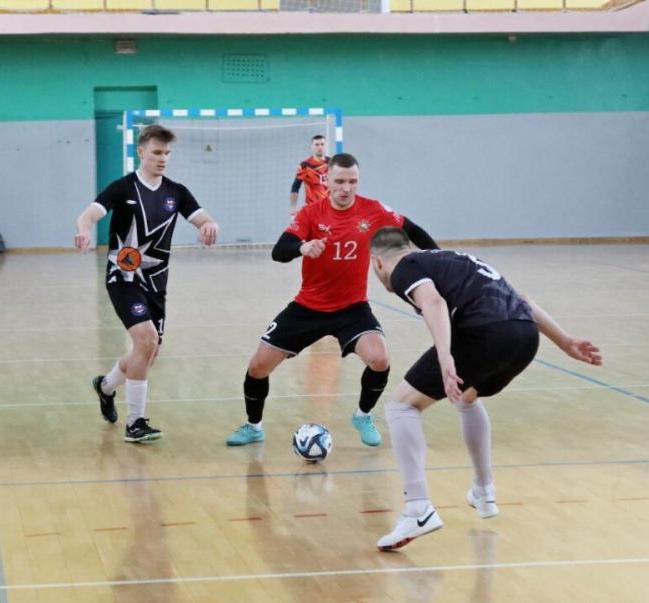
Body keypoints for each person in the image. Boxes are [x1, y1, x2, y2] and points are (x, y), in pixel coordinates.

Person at [367, 227, 602, 551]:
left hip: (485, 334)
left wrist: (445, 356)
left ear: (377, 262)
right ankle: (484, 490)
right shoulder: (450, 258)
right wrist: (565, 341)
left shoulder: (403, 268)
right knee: (467, 397)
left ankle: (418, 509)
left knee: (401, 406)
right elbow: (522, 300)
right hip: (524, 336)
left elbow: (433, 301)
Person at [225, 153, 439, 449]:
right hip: (308, 307)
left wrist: (438, 261)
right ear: (328, 181)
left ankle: (363, 416)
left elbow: (412, 229)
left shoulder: (374, 210)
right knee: (258, 367)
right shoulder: (311, 213)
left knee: (379, 359)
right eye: (339, 181)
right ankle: (253, 427)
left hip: (352, 307)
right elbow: (279, 251)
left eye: (352, 182)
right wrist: (303, 247)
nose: (346, 188)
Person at [75, 124, 220, 443]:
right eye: (156, 152)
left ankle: (106, 386)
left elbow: (203, 218)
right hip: (123, 278)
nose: (162, 158)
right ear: (141, 152)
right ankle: (135, 423)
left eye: (167, 153)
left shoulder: (176, 192)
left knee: (149, 352)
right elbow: (89, 214)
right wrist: (84, 230)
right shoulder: (122, 188)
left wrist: (209, 226)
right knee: (145, 340)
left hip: (156, 283)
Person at [289, 134, 329, 215]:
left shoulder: (332, 163)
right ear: (312, 147)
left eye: (322, 144)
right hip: (313, 208)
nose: (320, 147)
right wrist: (293, 208)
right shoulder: (305, 165)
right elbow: (295, 187)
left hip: (330, 207)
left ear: (326, 145)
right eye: (317, 145)